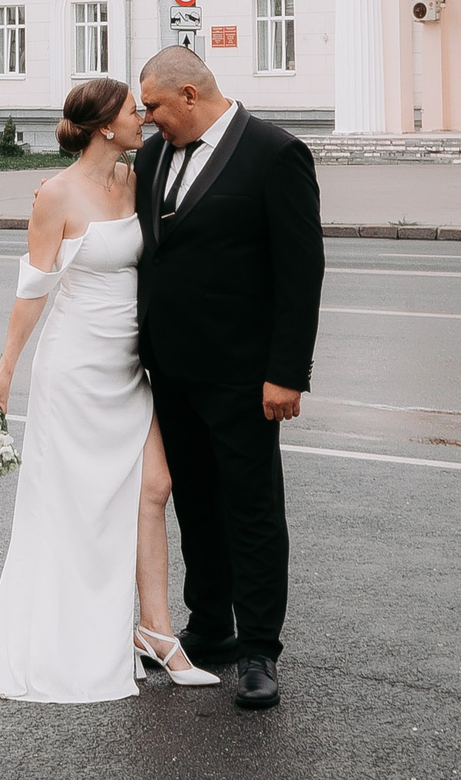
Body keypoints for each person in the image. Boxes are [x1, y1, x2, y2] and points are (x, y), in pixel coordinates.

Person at [0, 76, 217, 703]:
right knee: (71, 509)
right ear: (106, 126)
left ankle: (153, 631)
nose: (145, 119)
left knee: (155, 484)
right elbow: (33, 289)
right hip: (73, 369)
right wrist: (4, 371)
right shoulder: (55, 195)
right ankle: (67, 641)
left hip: (129, 367)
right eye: (135, 111)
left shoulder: (136, 179)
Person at [133, 45, 324, 712]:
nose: (146, 117)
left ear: (190, 95)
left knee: (251, 508)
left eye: (153, 105)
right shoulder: (154, 156)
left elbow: (301, 275)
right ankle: (210, 622)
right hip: (170, 366)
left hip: (245, 374)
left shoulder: (275, 154)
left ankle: (259, 650)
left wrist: (287, 373)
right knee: (195, 502)